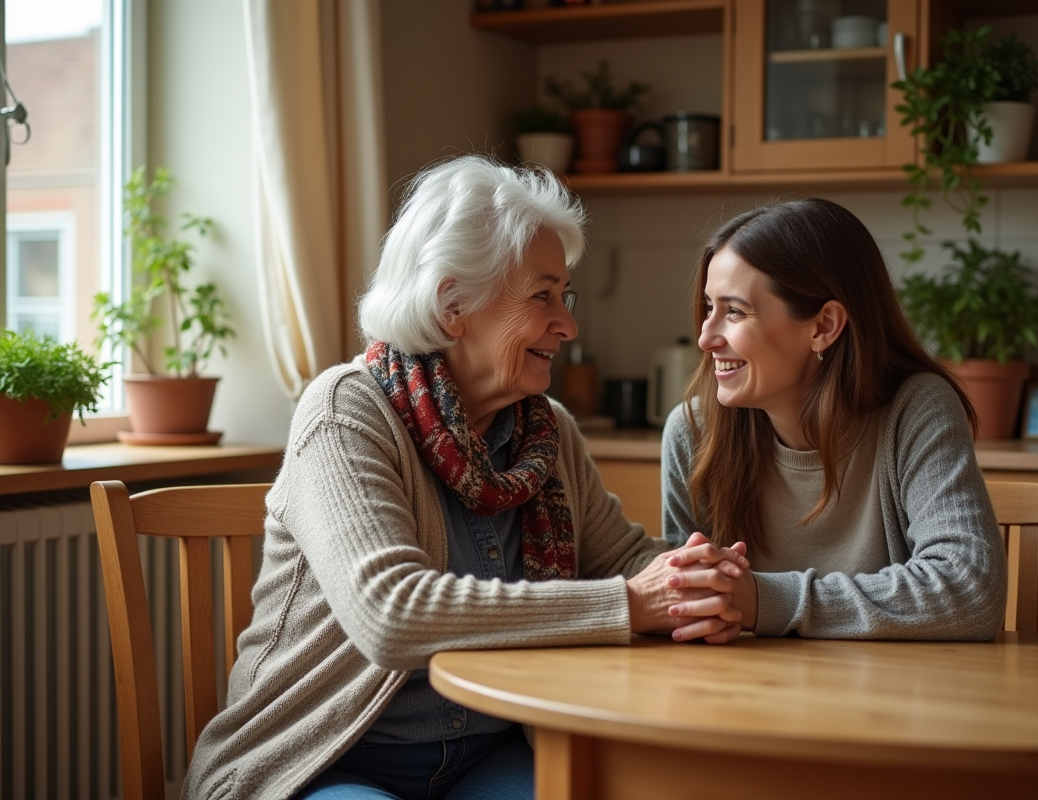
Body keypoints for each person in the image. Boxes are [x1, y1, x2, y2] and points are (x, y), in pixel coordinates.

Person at [182, 155, 748, 800]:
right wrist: (631, 603)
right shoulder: (347, 410)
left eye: (565, 296)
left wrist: (703, 577)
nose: (568, 324)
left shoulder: (546, 430)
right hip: (327, 758)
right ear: (453, 304)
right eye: (542, 296)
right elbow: (391, 616)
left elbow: (621, 559)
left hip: (494, 750)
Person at [660, 198, 1007, 644]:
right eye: (709, 307)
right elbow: (683, 606)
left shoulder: (915, 410)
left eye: (734, 311)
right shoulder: (693, 433)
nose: (707, 337)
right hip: (744, 700)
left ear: (824, 326)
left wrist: (762, 600)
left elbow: (970, 591)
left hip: (892, 702)